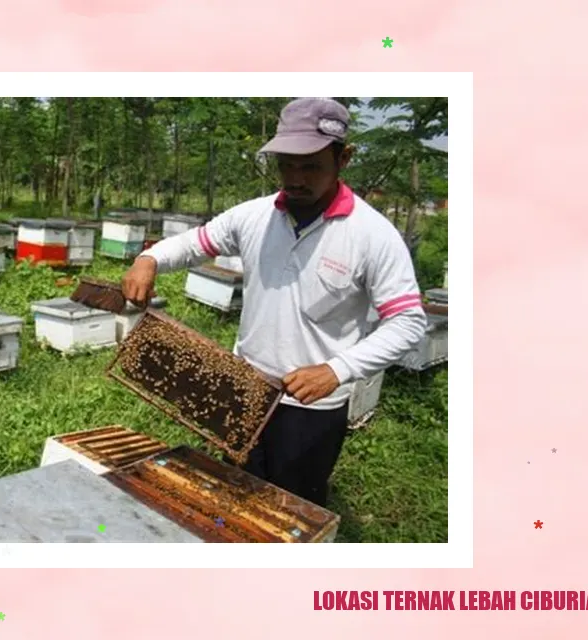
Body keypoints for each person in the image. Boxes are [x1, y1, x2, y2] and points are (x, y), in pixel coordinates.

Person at [121, 97, 428, 507]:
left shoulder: (372, 234)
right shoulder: (254, 216)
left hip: (311, 406)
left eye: (311, 166)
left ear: (344, 158)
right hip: (242, 385)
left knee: (290, 508)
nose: (295, 178)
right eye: (287, 165)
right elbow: (196, 243)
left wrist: (337, 370)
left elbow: (408, 321)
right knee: (234, 492)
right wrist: (150, 258)